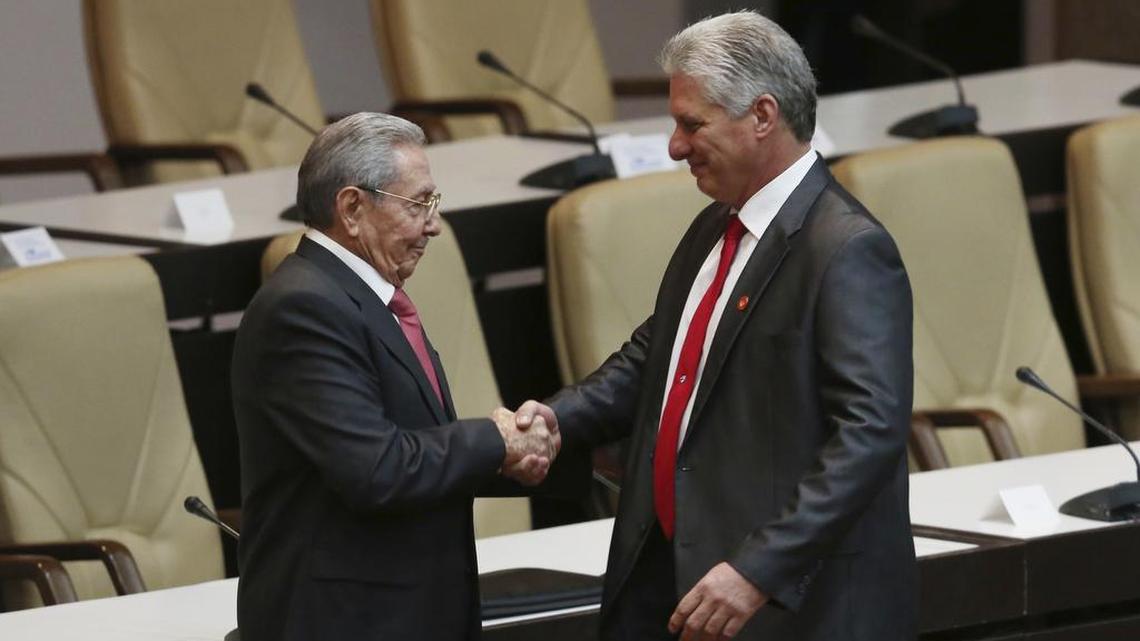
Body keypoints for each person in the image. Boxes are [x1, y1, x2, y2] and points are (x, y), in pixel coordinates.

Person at [516, 11, 916, 641]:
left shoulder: (846, 250)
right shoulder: (716, 227)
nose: (675, 146)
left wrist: (758, 570)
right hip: (676, 583)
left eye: (691, 124)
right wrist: (551, 420)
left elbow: (868, 436)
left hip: (785, 605)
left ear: (762, 116)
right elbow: (655, 358)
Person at [231, 112, 558, 641]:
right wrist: (495, 439)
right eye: (418, 203)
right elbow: (376, 468)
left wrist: (520, 453)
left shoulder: (364, 299)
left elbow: (417, 448)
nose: (433, 223)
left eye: (434, 203)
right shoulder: (303, 309)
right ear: (354, 207)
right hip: (346, 621)